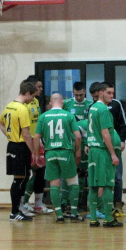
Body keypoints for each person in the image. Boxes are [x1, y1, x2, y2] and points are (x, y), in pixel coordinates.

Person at [33, 93, 85, 223]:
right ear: (62, 102)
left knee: (54, 184)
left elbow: (36, 137)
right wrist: (77, 150)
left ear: (50, 103)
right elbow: (78, 136)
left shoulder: (43, 116)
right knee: (73, 182)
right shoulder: (69, 115)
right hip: (65, 151)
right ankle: (73, 213)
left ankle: (59, 215)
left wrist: (36, 154)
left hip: (50, 152)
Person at [0, 81, 37, 221]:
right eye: (32, 96)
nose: (33, 100)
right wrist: (33, 151)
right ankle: (14, 212)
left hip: (12, 145)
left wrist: (9, 136)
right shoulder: (22, 109)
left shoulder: (10, 106)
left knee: (22, 178)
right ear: (27, 93)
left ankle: (18, 210)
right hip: (21, 147)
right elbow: (26, 134)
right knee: (19, 180)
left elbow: (0, 123)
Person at [88, 81, 126, 217]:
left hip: (93, 149)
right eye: (109, 93)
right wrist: (113, 154)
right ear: (100, 93)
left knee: (93, 185)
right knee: (106, 184)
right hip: (102, 150)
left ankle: (94, 217)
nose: (112, 96)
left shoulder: (93, 108)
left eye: (113, 93)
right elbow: (105, 132)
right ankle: (108, 218)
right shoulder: (103, 109)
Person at [20, 76, 53, 215]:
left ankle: (38, 204)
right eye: (38, 86)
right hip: (26, 143)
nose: (41, 89)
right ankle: (22, 203)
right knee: (24, 174)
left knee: (40, 172)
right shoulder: (24, 104)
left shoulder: (36, 102)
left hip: (37, 142)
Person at [62, 81, 92, 211]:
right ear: (73, 92)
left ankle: (79, 203)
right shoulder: (67, 104)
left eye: (81, 94)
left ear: (84, 92)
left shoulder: (90, 104)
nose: (79, 97)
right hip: (70, 143)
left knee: (82, 173)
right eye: (76, 95)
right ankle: (64, 202)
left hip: (85, 143)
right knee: (67, 172)